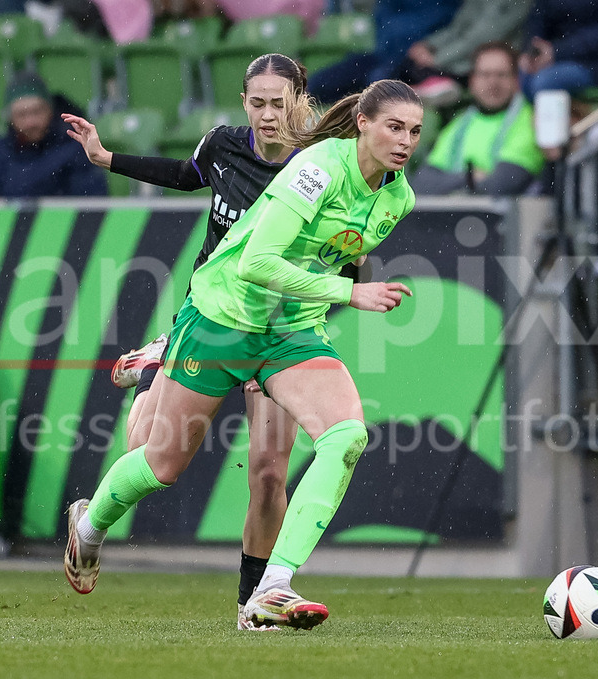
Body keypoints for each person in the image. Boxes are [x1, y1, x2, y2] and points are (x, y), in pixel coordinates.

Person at [63, 79, 422, 631]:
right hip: (222, 316)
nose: (404, 141)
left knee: (338, 440)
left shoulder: (397, 198)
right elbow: (257, 262)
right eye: (393, 127)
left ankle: (270, 589)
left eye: (415, 131)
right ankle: (88, 529)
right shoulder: (316, 169)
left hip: (290, 331)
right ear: (363, 124)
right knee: (162, 464)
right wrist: (352, 293)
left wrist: (342, 287)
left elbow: (331, 260)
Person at [64, 53, 320, 631]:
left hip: (279, 330)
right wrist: (107, 158)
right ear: (243, 102)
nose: (268, 115)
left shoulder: (320, 169)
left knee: (269, 472)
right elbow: (185, 175)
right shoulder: (225, 145)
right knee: (152, 458)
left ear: (300, 101)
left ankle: (252, 605)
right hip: (211, 315)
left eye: (279, 103)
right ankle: (94, 512)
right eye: (257, 102)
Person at [410, 42, 544, 197]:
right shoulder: (461, 123)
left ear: (516, 81)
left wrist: (452, 183)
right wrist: (470, 178)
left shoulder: (530, 119)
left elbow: (501, 186)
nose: (493, 83)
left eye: (501, 75)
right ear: (472, 81)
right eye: (485, 75)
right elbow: (422, 185)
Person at [0, 71, 107, 198]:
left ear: (50, 110)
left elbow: (91, 205)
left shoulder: (75, 148)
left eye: (37, 111)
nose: (30, 122)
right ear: (10, 118)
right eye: (21, 115)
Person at [308, 0, 462, 105]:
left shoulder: (443, 6)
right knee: (320, 83)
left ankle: (417, 89)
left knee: (378, 83)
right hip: (382, 56)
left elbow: (454, 28)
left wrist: (433, 49)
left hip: (414, 60)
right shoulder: (387, 5)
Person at [399, 0, 531, 106]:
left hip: (476, 61)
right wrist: (428, 45)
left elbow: (481, 37)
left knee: (415, 70)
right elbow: (457, 29)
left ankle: (445, 84)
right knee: (406, 64)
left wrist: (436, 59)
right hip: (460, 58)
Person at [518, 0, 598, 102]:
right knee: (525, 78)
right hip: (565, 59)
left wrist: (557, 52)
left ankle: (589, 127)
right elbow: (537, 18)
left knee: (543, 83)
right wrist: (530, 51)